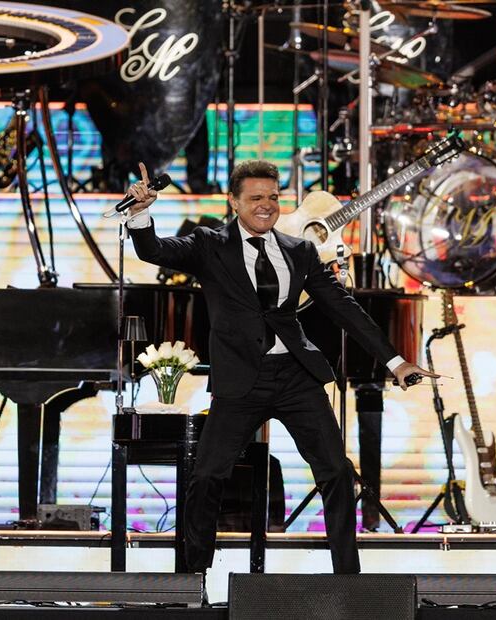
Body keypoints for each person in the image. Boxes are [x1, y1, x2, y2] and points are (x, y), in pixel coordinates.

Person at [125, 160, 432, 573]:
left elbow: (344, 308)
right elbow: (154, 251)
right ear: (233, 202)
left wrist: (395, 361)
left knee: (336, 471)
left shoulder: (299, 250)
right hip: (240, 381)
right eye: (255, 198)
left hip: (294, 375)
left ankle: (348, 579)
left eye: (272, 197)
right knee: (207, 475)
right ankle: (193, 578)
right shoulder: (209, 244)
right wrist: (140, 214)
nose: (266, 205)